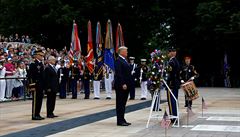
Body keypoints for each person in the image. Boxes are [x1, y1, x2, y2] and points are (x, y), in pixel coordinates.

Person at [114, 46, 132, 126]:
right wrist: (123, 84)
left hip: (126, 85)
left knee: (123, 103)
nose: (127, 52)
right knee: (120, 103)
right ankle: (120, 121)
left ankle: (122, 119)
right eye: (126, 51)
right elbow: (119, 73)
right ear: (122, 52)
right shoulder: (118, 60)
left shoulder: (124, 60)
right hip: (121, 85)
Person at [28, 49, 45, 120]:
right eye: (40, 55)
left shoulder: (41, 64)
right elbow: (30, 76)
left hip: (40, 85)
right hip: (35, 85)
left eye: (42, 56)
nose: (42, 57)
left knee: (39, 100)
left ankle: (38, 113)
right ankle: (34, 115)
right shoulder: (33, 64)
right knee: (35, 101)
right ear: (36, 56)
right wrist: (32, 85)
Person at [166, 46, 181, 123]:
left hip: (171, 84)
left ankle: (173, 117)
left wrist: (167, 82)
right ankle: (175, 115)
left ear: (171, 53)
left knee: (171, 101)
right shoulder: (176, 61)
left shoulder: (171, 62)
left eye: (169, 52)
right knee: (175, 100)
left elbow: (170, 75)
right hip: (175, 83)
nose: (168, 54)